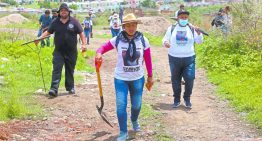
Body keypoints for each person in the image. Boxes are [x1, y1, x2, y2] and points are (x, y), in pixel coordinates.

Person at [95, 13, 154, 141]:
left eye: (133, 25)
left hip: (138, 78)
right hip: (121, 79)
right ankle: (123, 132)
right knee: (121, 105)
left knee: (136, 105)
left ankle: (134, 120)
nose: (131, 28)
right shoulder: (117, 39)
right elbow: (103, 47)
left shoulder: (143, 40)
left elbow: (148, 59)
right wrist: (99, 53)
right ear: (124, 27)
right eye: (128, 25)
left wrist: (150, 76)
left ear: (137, 25)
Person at [36, 3, 87, 97]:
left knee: (70, 70)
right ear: (59, 12)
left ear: (68, 12)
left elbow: (81, 33)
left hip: (71, 52)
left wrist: (84, 44)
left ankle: (70, 87)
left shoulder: (74, 22)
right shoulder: (55, 22)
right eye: (62, 11)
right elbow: (48, 32)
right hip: (58, 52)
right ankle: (54, 89)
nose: (64, 12)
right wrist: (39, 39)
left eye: (65, 11)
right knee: (56, 69)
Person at [162, 10, 203, 109]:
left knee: (190, 78)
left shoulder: (191, 28)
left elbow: (199, 42)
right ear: (177, 18)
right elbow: (164, 40)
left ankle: (187, 98)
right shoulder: (171, 28)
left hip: (189, 58)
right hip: (174, 58)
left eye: (185, 17)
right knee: (175, 80)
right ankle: (176, 100)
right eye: (182, 17)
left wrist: (199, 33)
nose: (184, 19)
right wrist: (166, 43)